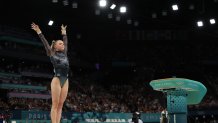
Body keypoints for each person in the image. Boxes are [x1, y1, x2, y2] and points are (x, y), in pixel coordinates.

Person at [31, 22, 69, 123]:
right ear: (55, 47)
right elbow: (45, 43)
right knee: (55, 105)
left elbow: (66, 41)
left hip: (66, 80)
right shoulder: (51, 52)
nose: (63, 44)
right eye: (60, 43)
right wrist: (39, 31)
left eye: (63, 43)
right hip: (57, 79)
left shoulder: (65, 53)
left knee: (61, 105)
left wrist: (64, 32)